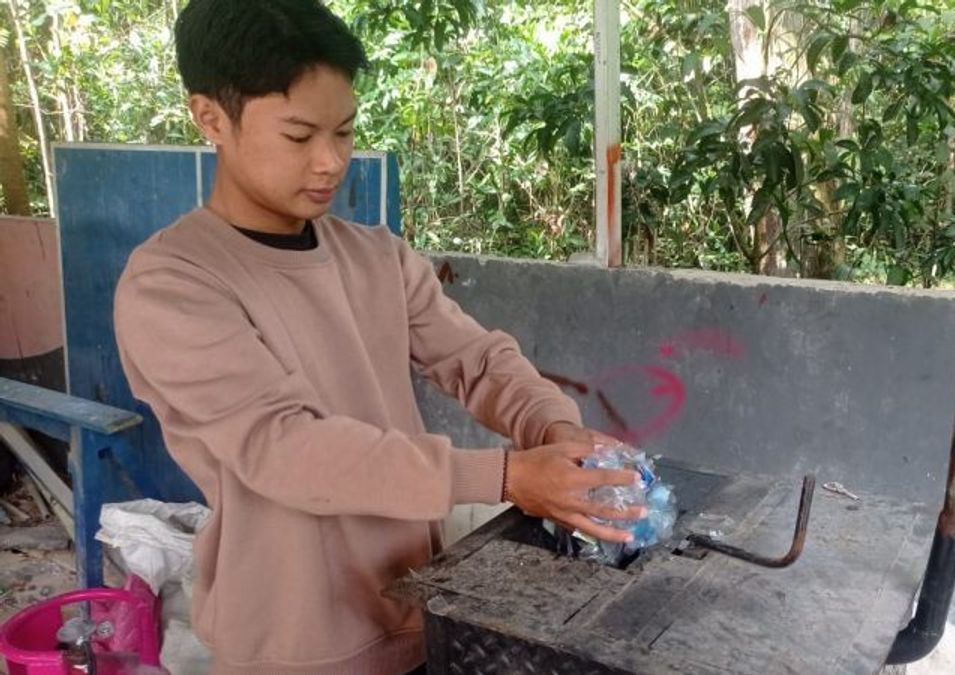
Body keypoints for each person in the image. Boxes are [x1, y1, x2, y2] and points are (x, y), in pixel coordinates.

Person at [113, 1, 640, 672]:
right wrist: (505, 476)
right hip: (296, 638)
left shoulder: (374, 255)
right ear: (210, 117)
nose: (331, 161)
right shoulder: (173, 283)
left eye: (345, 131)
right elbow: (284, 448)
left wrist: (551, 426)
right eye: (300, 136)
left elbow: (476, 360)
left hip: (417, 606)